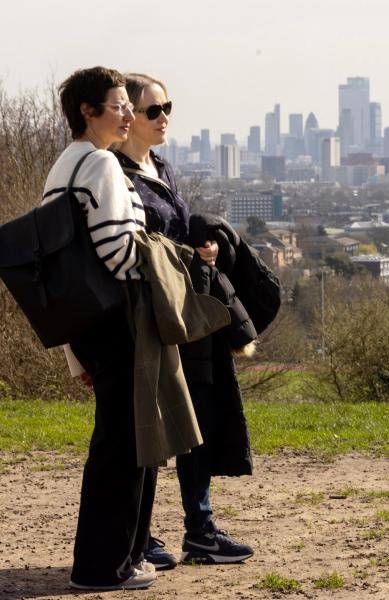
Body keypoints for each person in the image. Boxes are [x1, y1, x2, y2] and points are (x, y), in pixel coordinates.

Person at [113, 73, 256, 569]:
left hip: (187, 313)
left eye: (167, 107)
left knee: (198, 421)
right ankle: (144, 533)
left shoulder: (164, 167)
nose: (164, 117)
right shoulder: (116, 175)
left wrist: (207, 252)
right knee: (153, 426)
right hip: (149, 318)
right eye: (153, 110)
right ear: (129, 116)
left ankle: (201, 528)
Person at [44, 67, 155, 590]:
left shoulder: (63, 166)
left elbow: (60, 267)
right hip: (118, 321)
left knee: (113, 442)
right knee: (126, 445)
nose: (129, 114)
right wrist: (164, 258)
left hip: (88, 325)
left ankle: (116, 559)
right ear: (88, 112)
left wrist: (74, 350)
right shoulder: (103, 165)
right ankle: (106, 566)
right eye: (118, 105)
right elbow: (118, 253)